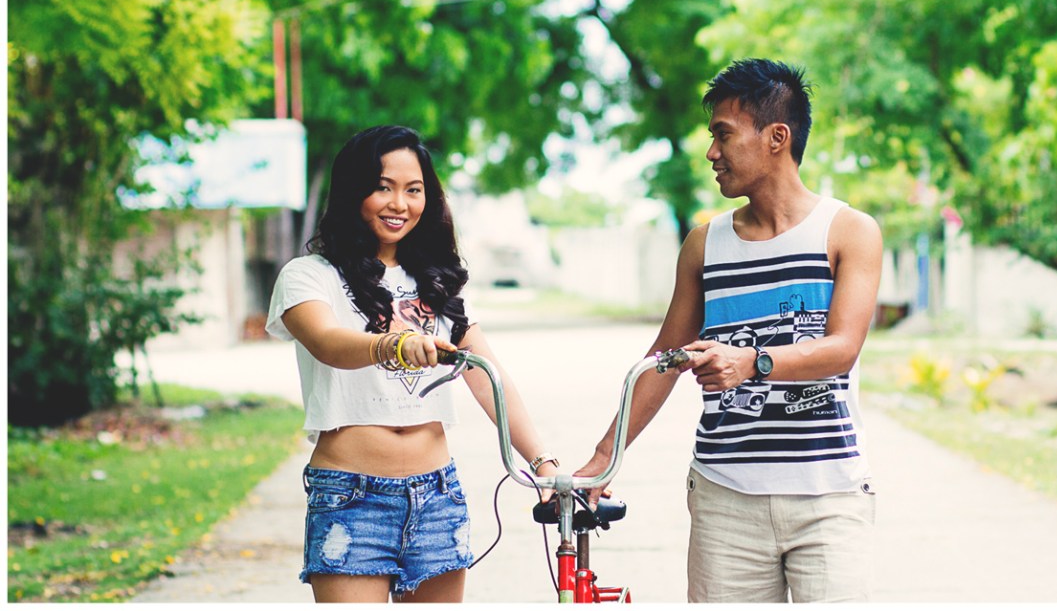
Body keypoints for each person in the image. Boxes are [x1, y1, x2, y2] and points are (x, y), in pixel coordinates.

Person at [575, 58, 883, 603]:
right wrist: (605, 458)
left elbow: (842, 349)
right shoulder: (704, 245)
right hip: (725, 500)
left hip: (829, 498)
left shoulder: (849, 231)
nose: (712, 152)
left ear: (776, 138)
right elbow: (662, 359)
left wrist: (753, 362)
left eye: (723, 135)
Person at [266, 125, 559, 603]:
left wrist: (543, 465)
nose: (399, 203)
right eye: (383, 187)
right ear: (352, 191)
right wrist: (391, 345)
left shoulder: (438, 283)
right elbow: (326, 342)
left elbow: (489, 378)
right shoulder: (309, 276)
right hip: (351, 497)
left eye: (413, 190)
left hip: (438, 495)